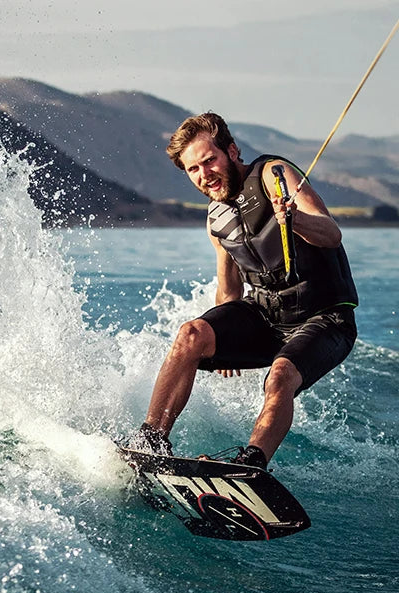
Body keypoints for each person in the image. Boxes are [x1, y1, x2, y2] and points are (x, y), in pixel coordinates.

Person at [133, 112, 358, 469]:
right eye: (194, 169)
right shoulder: (216, 219)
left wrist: (294, 218)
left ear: (232, 151)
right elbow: (229, 289)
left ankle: (251, 465)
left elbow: (332, 234)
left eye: (210, 160)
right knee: (191, 335)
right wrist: (220, 337)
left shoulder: (273, 175)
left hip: (325, 317)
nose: (205, 174)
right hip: (267, 317)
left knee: (280, 376)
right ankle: (151, 442)